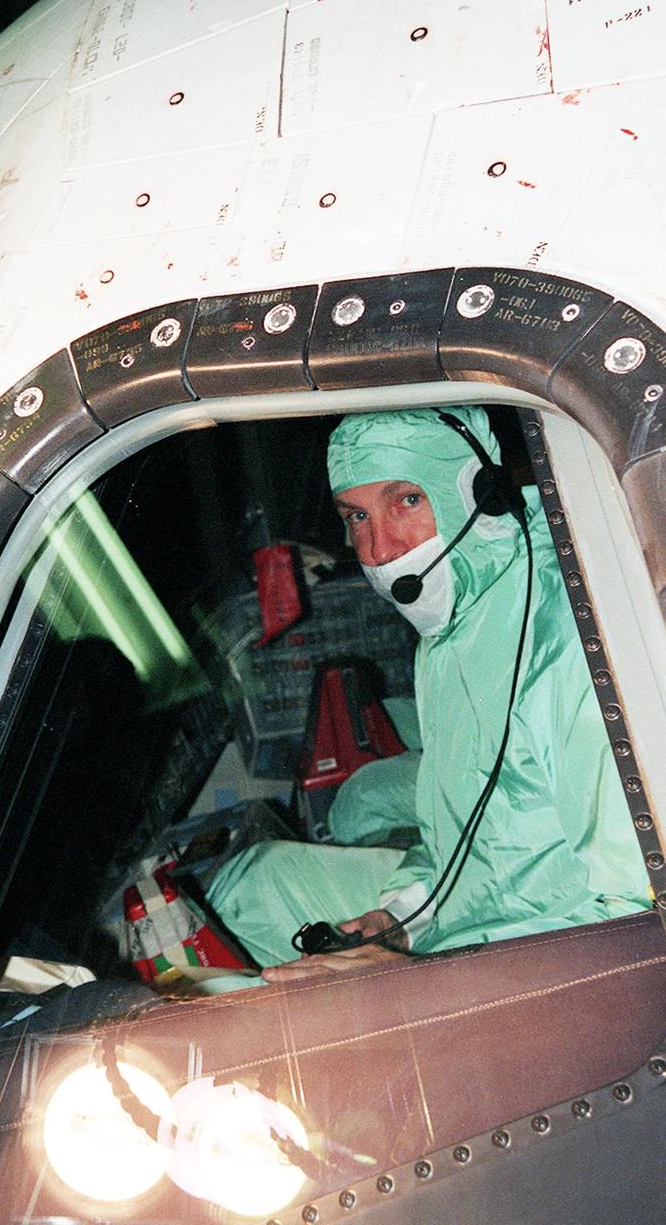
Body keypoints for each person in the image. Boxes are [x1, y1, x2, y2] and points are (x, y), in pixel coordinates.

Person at [208, 408, 651, 981]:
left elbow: (634, 925)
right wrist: (400, 917)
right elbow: (454, 826)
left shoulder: (569, 649)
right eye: (358, 516)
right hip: (461, 909)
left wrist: (420, 976)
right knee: (249, 888)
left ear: (478, 495)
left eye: (407, 502)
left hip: (537, 961)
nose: (379, 550)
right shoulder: (451, 627)